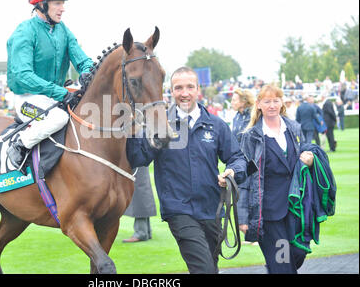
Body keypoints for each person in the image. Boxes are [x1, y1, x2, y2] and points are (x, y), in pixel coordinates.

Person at [126, 67, 247, 274]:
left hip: (212, 209)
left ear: (198, 89)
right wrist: (133, 131)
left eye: (190, 87)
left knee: (211, 267)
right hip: (178, 209)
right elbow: (138, 159)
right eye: (178, 88)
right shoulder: (158, 124)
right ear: (171, 91)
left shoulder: (216, 124)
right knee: (204, 269)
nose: (184, 93)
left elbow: (237, 158)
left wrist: (232, 172)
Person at [6, 0, 94, 170]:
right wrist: (61, 92)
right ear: (42, 4)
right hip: (28, 99)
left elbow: (82, 59)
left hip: (54, 97)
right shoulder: (24, 32)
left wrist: (89, 71)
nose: (62, 8)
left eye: (63, 3)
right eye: (57, 3)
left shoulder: (63, 30)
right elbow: (23, 75)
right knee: (59, 118)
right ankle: (20, 145)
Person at [238, 84, 314, 274]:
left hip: (296, 209)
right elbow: (245, 178)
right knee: (282, 264)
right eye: (267, 101)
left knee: (297, 253)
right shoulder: (250, 137)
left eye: (275, 100)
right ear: (258, 105)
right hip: (269, 212)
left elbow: (304, 156)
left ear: (282, 103)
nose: (272, 105)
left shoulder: (294, 129)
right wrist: (242, 216)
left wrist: (311, 160)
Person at [122, 166, 156, 243]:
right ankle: (146, 231)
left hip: (137, 158)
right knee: (141, 186)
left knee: (139, 188)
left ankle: (141, 232)